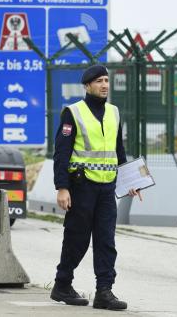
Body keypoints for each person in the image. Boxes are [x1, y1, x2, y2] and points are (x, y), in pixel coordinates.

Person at [51, 65, 141, 310]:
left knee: (106, 241)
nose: (104, 85)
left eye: (106, 80)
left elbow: (118, 152)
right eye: (99, 81)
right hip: (81, 187)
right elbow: (62, 153)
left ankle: (104, 291)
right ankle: (62, 284)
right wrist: (62, 187)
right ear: (87, 85)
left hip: (106, 190)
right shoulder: (73, 112)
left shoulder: (113, 113)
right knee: (76, 239)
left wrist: (131, 182)